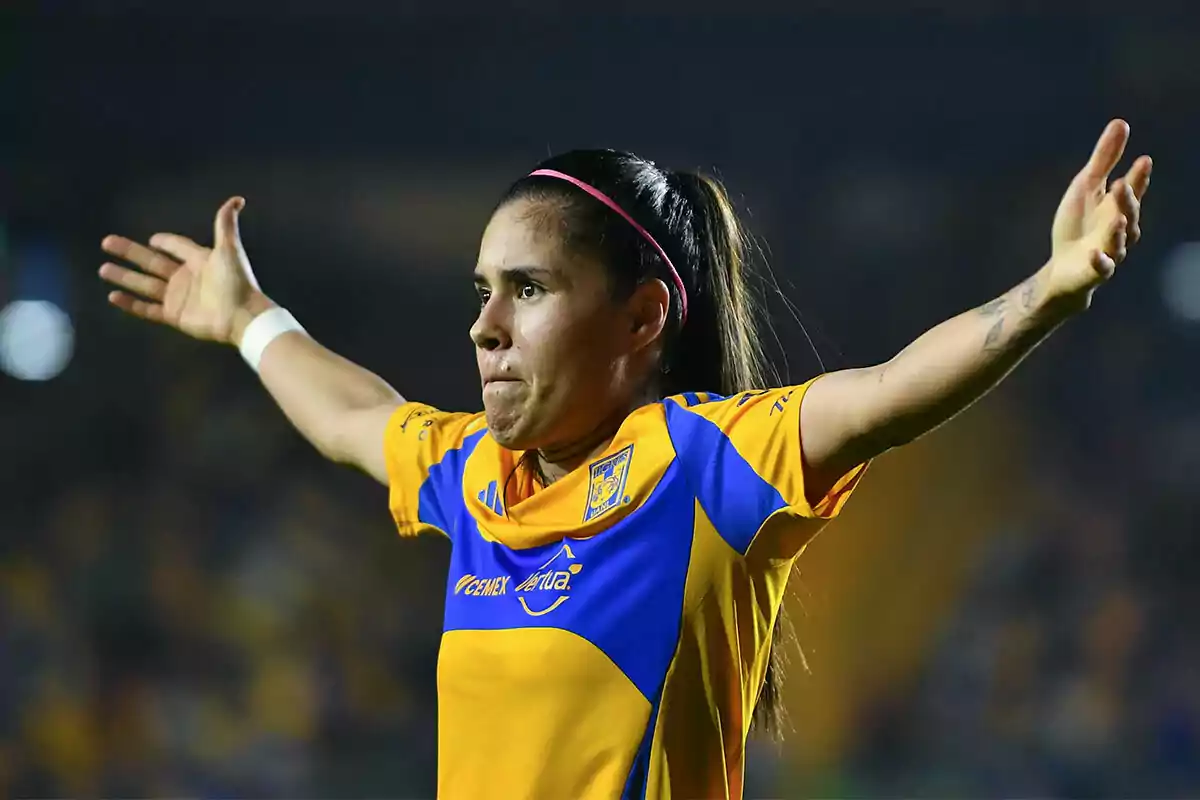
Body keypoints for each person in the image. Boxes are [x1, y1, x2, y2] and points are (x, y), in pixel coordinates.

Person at [98, 120, 1151, 799]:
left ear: (644, 315)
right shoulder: (476, 475)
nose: (486, 326)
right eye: (480, 291)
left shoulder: (707, 461)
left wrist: (1050, 291)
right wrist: (250, 322)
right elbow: (351, 415)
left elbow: (885, 394)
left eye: (530, 288)